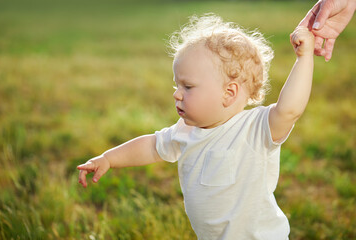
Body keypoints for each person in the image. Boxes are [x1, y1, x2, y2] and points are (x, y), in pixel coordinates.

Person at [77, 14, 315, 240]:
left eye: (187, 87)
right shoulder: (185, 131)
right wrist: (108, 159)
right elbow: (151, 146)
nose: (176, 95)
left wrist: (304, 59)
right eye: (176, 85)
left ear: (228, 93)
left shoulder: (256, 130)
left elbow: (289, 110)